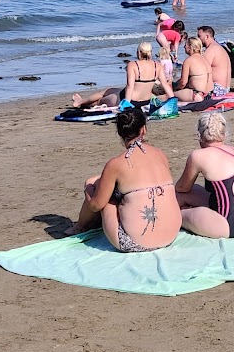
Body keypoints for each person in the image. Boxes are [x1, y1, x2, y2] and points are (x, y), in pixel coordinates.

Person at [72, 106, 195, 252]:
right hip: (170, 236)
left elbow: (95, 206)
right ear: (143, 130)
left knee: (104, 197)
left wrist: (88, 189)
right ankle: (81, 225)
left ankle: (80, 226)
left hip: (135, 243)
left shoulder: (116, 164)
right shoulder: (160, 155)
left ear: (119, 132)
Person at [175, 111, 234, 238]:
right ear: (224, 134)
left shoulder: (198, 155)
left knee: (178, 211)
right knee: (195, 191)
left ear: (200, 135)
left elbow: (182, 188)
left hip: (230, 225)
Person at [196, 25, 232, 96]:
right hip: (225, 88)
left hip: (217, 89)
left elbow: (199, 70)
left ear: (207, 36)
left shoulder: (211, 49)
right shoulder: (218, 47)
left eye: (199, 36)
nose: (198, 39)